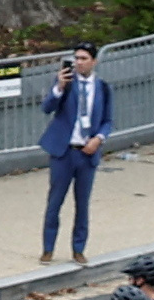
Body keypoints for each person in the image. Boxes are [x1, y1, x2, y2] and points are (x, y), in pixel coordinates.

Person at [34, 48, 110, 260]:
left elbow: (108, 120)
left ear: (93, 61)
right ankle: (48, 248)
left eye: (84, 59)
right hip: (64, 152)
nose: (79, 63)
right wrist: (59, 87)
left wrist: (98, 139)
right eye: (76, 58)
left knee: (82, 203)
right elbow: (47, 107)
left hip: (86, 153)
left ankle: (78, 248)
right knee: (55, 201)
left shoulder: (102, 87)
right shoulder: (66, 84)